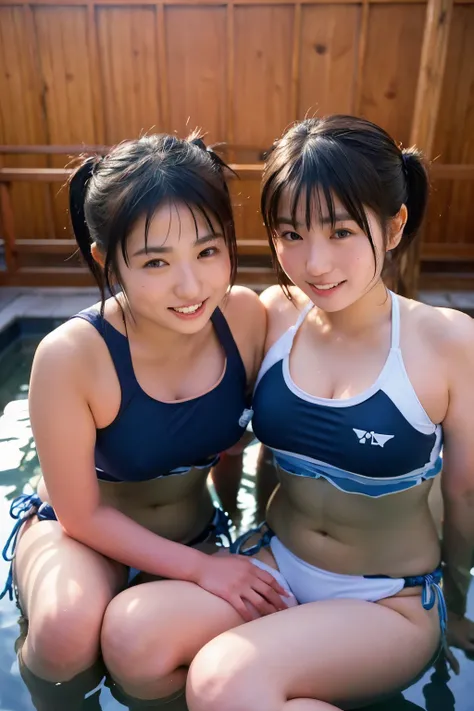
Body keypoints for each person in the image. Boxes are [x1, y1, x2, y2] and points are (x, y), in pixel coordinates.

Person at [185, 115, 474, 711]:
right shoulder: (276, 316)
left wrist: (457, 601)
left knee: (223, 682)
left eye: (341, 232)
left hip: (387, 598)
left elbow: (466, 493)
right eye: (290, 234)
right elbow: (259, 449)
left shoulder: (447, 343)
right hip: (275, 562)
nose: (314, 263)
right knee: (136, 643)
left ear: (394, 226)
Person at [0, 132, 287, 704]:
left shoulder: (246, 319)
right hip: (81, 536)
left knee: (164, 656)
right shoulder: (72, 356)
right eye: (156, 261)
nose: (190, 286)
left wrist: (236, 531)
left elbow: (246, 446)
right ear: (109, 259)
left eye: (208, 252)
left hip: (195, 533)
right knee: (66, 634)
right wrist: (202, 572)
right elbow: (80, 513)